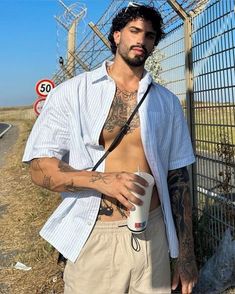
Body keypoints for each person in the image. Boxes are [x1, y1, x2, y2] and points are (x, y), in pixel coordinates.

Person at [23, 3, 198, 294]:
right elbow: (40, 169)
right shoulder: (73, 93)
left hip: (153, 236)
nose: (142, 40)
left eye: (151, 36)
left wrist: (187, 255)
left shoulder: (166, 103)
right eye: (134, 31)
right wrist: (104, 181)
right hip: (95, 236)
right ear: (116, 35)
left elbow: (179, 180)